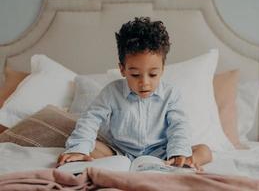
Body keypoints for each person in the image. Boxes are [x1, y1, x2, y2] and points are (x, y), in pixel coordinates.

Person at [57, 17, 212, 169]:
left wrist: (178, 153)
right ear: (123, 69)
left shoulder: (171, 94)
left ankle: (182, 162)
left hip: (161, 153)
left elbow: (179, 126)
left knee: (204, 151)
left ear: (163, 69)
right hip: (120, 152)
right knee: (90, 146)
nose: (144, 82)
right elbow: (90, 120)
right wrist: (79, 149)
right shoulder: (111, 92)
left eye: (152, 75)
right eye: (135, 75)